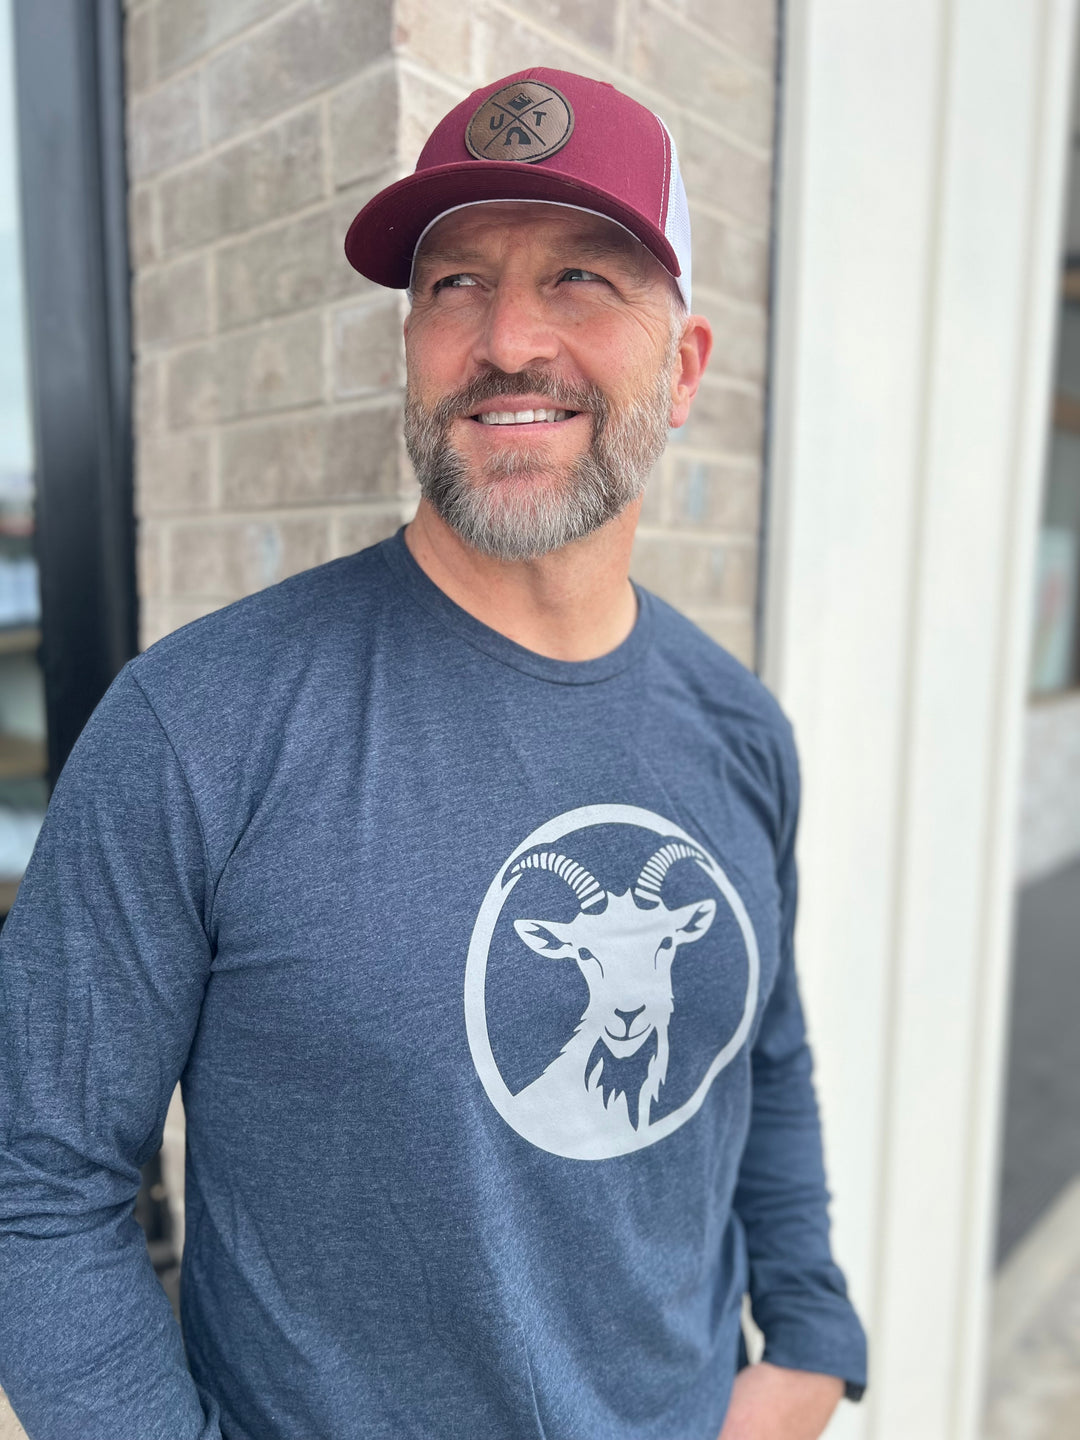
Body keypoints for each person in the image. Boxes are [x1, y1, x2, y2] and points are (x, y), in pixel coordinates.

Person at [0, 67, 866, 1440]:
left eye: (583, 276)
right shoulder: (198, 727)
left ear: (684, 364)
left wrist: (809, 1338)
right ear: (411, 345)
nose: (509, 339)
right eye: (455, 285)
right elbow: (37, 1185)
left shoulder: (737, 730)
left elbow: (761, 1056)